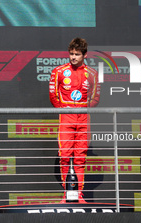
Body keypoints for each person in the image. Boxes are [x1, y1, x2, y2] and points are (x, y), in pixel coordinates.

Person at [49, 37, 100, 203]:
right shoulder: (59, 71)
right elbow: (53, 95)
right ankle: (66, 194)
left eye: (77, 54)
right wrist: (64, 109)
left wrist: (83, 110)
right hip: (66, 119)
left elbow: (95, 97)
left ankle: (78, 194)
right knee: (64, 155)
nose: (73, 57)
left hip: (84, 119)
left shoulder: (92, 74)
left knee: (80, 157)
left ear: (85, 55)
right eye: (71, 54)